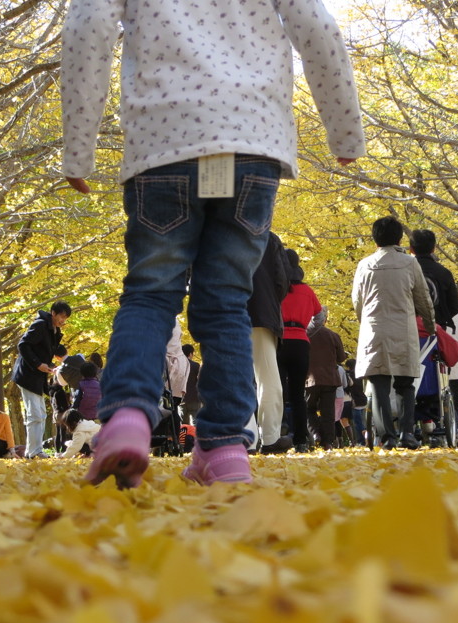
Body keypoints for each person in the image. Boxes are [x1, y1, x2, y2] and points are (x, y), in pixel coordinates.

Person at [62, 0, 365, 487]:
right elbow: (316, 26)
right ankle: (224, 447)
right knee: (227, 301)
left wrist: (79, 146)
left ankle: (126, 420)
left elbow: (88, 26)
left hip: (163, 142)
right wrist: (345, 131)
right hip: (252, 141)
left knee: (151, 293)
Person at [352, 216, 435, 450]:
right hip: (403, 329)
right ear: (399, 237)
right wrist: (429, 325)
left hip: (373, 331)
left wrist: (365, 322)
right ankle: (407, 433)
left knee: (378, 386)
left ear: (374, 237)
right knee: (405, 383)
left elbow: (357, 302)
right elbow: (423, 299)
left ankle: (386, 436)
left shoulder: (364, 265)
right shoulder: (410, 263)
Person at [248, 233, 291, 453]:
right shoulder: (268, 238)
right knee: (268, 378)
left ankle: (245, 437)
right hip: (262, 313)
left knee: (234, 377)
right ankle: (271, 437)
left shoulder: (215, 228)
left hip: (223, 314)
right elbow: (281, 280)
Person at [11, 301, 71, 459]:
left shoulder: (54, 329)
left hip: (38, 376)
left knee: (41, 414)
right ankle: (33, 451)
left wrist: (49, 366)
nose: (63, 320)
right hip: (27, 375)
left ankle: (35, 450)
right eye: (61, 316)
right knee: (35, 414)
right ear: (53, 313)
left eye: (65, 318)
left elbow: (44, 352)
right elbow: (23, 345)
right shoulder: (40, 325)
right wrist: (37, 364)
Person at [279, 249, 323, 453]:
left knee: (276, 391)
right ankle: (301, 440)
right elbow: (320, 317)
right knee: (298, 394)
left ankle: (277, 434)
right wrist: (306, 331)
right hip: (300, 342)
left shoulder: (276, 287)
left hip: (278, 341)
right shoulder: (307, 291)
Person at [305, 309, 346, 450]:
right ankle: (328, 442)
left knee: (308, 409)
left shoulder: (305, 334)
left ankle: (316, 434)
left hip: (310, 379)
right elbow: (341, 358)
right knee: (328, 412)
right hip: (330, 379)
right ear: (325, 319)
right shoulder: (333, 335)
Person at [411, 229, 458, 331]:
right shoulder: (444, 273)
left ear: (411, 249)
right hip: (436, 329)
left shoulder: (405, 271)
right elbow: (455, 307)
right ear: (434, 248)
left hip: (409, 329)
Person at [179, 345, 201, 427]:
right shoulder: (196, 365)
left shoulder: (177, 365)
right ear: (190, 354)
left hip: (181, 398)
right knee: (195, 422)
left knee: (183, 424)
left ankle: (183, 439)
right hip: (194, 398)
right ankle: (195, 439)